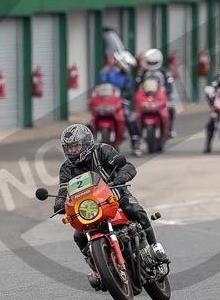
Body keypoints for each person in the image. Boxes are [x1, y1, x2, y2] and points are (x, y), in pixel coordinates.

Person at [54, 124, 168, 290]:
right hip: (89, 209)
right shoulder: (66, 168)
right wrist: (58, 203)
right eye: (68, 148)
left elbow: (127, 166)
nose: (72, 151)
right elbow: (64, 190)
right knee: (78, 236)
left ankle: (154, 247)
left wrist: (120, 178)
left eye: (75, 146)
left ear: (86, 143)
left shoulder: (102, 150)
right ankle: (99, 268)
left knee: (135, 210)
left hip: (116, 196)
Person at [98, 50, 141, 156]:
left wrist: (124, 97)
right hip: (105, 102)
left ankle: (135, 144)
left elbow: (130, 91)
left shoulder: (127, 77)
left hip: (120, 102)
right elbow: (101, 87)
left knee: (129, 118)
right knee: (92, 120)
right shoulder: (106, 72)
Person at [136, 49, 176, 137]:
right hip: (146, 98)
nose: (152, 65)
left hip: (160, 97)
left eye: (154, 62)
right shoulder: (143, 73)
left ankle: (170, 129)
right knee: (138, 112)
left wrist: (168, 93)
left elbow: (169, 84)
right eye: (150, 62)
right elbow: (138, 85)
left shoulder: (165, 72)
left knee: (171, 109)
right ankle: (138, 132)